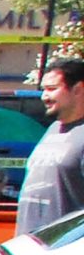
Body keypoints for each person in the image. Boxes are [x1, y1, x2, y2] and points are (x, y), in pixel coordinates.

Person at [18, 57, 84, 236]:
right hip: (29, 247)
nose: (44, 97)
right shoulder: (53, 130)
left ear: (78, 89)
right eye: (43, 89)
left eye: (52, 89)